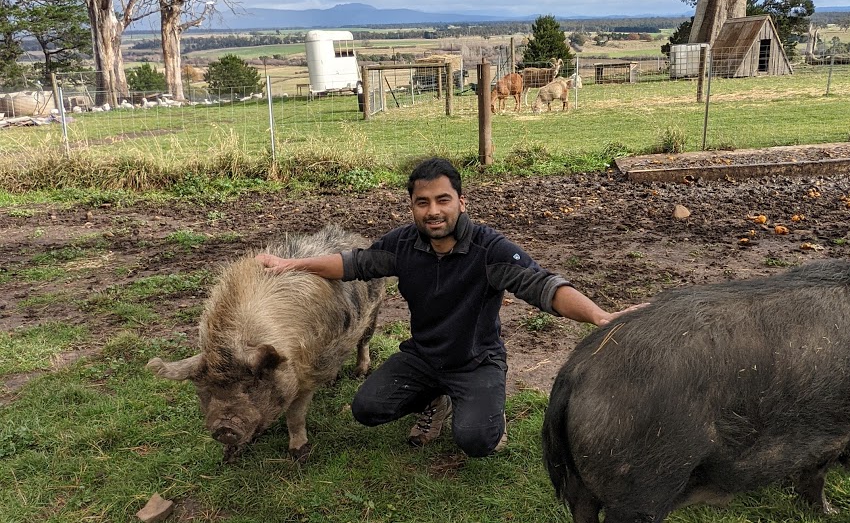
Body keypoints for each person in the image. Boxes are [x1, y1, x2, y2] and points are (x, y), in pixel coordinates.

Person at [256, 157, 644, 458]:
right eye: (422, 203)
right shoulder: (402, 244)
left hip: (476, 360)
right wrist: (293, 265)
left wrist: (598, 315)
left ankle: (488, 410)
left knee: (477, 441)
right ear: (412, 207)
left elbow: (544, 286)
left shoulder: (490, 249)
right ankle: (437, 400)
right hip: (424, 358)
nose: (433, 211)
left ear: (461, 201)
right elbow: (352, 263)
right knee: (367, 409)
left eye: (443, 200)